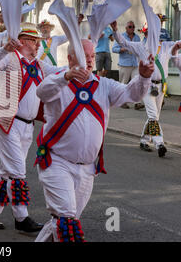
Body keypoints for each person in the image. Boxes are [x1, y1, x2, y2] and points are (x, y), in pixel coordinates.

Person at [34, 39, 154, 242]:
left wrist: (142, 77)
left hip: (87, 169)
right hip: (57, 163)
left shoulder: (103, 85)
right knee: (66, 216)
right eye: (84, 56)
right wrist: (66, 76)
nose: (89, 61)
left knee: (63, 222)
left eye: (92, 56)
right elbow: (42, 92)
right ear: (70, 58)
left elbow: (131, 94)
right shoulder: (58, 80)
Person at [0, 23, 63, 233]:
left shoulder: (39, 65)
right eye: (34, 41)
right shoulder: (9, 58)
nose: (37, 45)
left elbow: (59, 72)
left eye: (37, 42)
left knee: (8, 171)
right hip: (7, 121)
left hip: (27, 125)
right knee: (17, 171)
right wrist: (5, 49)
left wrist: (75, 67)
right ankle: (21, 218)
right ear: (24, 41)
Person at [111, 20, 179, 157]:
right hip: (146, 85)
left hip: (161, 86)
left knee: (154, 116)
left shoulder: (165, 45)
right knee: (153, 115)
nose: (151, 35)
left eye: (153, 33)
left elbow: (176, 47)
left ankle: (144, 139)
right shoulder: (140, 46)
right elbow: (123, 43)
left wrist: (177, 46)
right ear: (146, 33)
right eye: (148, 33)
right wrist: (115, 30)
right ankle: (159, 143)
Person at [112, 21, 141, 109]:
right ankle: (122, 102)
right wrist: (122, 49)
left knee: (136, 83)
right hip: (124, 64)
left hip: (135, 64)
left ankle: (137, 103)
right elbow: (114, 49)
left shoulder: (137, 37)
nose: (132, 28)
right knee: (123, 85)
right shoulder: (121, 37)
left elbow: (139, 48)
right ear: (126, 28)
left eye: (133, 27)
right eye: (130, 27)